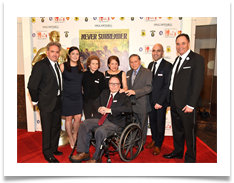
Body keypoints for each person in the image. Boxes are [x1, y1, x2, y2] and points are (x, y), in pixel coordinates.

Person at [163, 33, 205, 163]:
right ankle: (178, 152)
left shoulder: (197, 59)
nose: (180, 46)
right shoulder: (177, 60)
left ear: (188, 44)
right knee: (177, 131)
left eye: (183, 43)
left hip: (187, 105)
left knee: (189, 133)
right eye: (178, 44)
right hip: (175, 103)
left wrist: (192, 104)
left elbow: (198, 83)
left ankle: (190, 158)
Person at [70, 76, 132, 163]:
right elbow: (95, 102)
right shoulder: (105, 92)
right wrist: (99, 108)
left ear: (119, 85)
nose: (113, 86)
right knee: (84, 124)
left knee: (100, 131)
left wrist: (110, 110)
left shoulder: (123, 96)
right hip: (101, 118)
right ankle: (84, 152)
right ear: (108, 85)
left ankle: (96, 157)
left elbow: (128, 108)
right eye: (111, 84)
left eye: (116, 84)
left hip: (115, 121)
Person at [27, 42, 63, 163]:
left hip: (58, 101)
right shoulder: (40, 65)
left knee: (56, 126)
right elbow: (32, 86)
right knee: (47, 129)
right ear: (47, 52)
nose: (55, 54)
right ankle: (47, 153)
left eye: (57, 52)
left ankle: (53, 148)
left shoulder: (57, 65)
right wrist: (35, 100)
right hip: (46, 102)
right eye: (52, 51)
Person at [147, 44, 172, 155]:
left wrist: (160, 102)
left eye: (158, 51)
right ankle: (154, 139)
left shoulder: (167, 66)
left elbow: (167, 86)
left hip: (160, 102)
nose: (155, 53)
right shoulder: (150, 64)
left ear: (162, 52)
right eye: (153, 50)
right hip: (150, 101)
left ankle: (158, 145)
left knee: (160, 124)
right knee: (152, 122)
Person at [59, 46, 84, 149]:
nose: (75, 56)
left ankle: (75, 135)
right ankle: (70, 138)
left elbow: (83, 81)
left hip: (78, 96)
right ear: (69, 55)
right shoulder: (63, 66)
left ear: (79, 56)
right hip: (67, 96)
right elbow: (56, 81)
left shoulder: (81, 66)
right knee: (68, 119)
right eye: (73, 54)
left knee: (78, 118)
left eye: (77, 54)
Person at [125, 54, 152, 146]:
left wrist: (135, 92)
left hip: (142, 104)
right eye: (131, 62)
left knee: (142, 126)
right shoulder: (128, 73)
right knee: (132, 125)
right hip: (130, 105)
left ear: (140, 61)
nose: (133, 64)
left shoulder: (147, 72)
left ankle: (141, 144)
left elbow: (149, 88)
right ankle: (133, 142)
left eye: (135, 61)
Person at [82, 55, 105, 119]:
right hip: (87, 101)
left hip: (97, 101)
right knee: (87, 119)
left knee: (96, 120)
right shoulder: (84, 75)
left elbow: (103, 89)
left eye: (97, 64)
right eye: (93, 63)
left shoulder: (101, 75)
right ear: (89, 65)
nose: (95, 65)